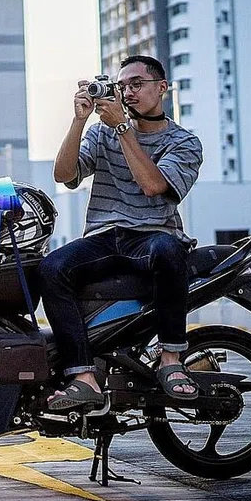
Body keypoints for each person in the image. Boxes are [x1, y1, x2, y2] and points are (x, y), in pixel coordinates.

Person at [39, 55, 203, 410]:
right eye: (122, 85)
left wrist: (124, 130)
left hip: (152, 234)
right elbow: (63, 174)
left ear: (161, 88)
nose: (128, 92)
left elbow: (152, 184)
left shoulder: (184, 143)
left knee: (169, 250)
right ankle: (83, 378)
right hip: (104, 235)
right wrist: (79, 120)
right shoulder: (101, 133)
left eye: (137, 84)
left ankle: (171, 359)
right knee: (51, 268)